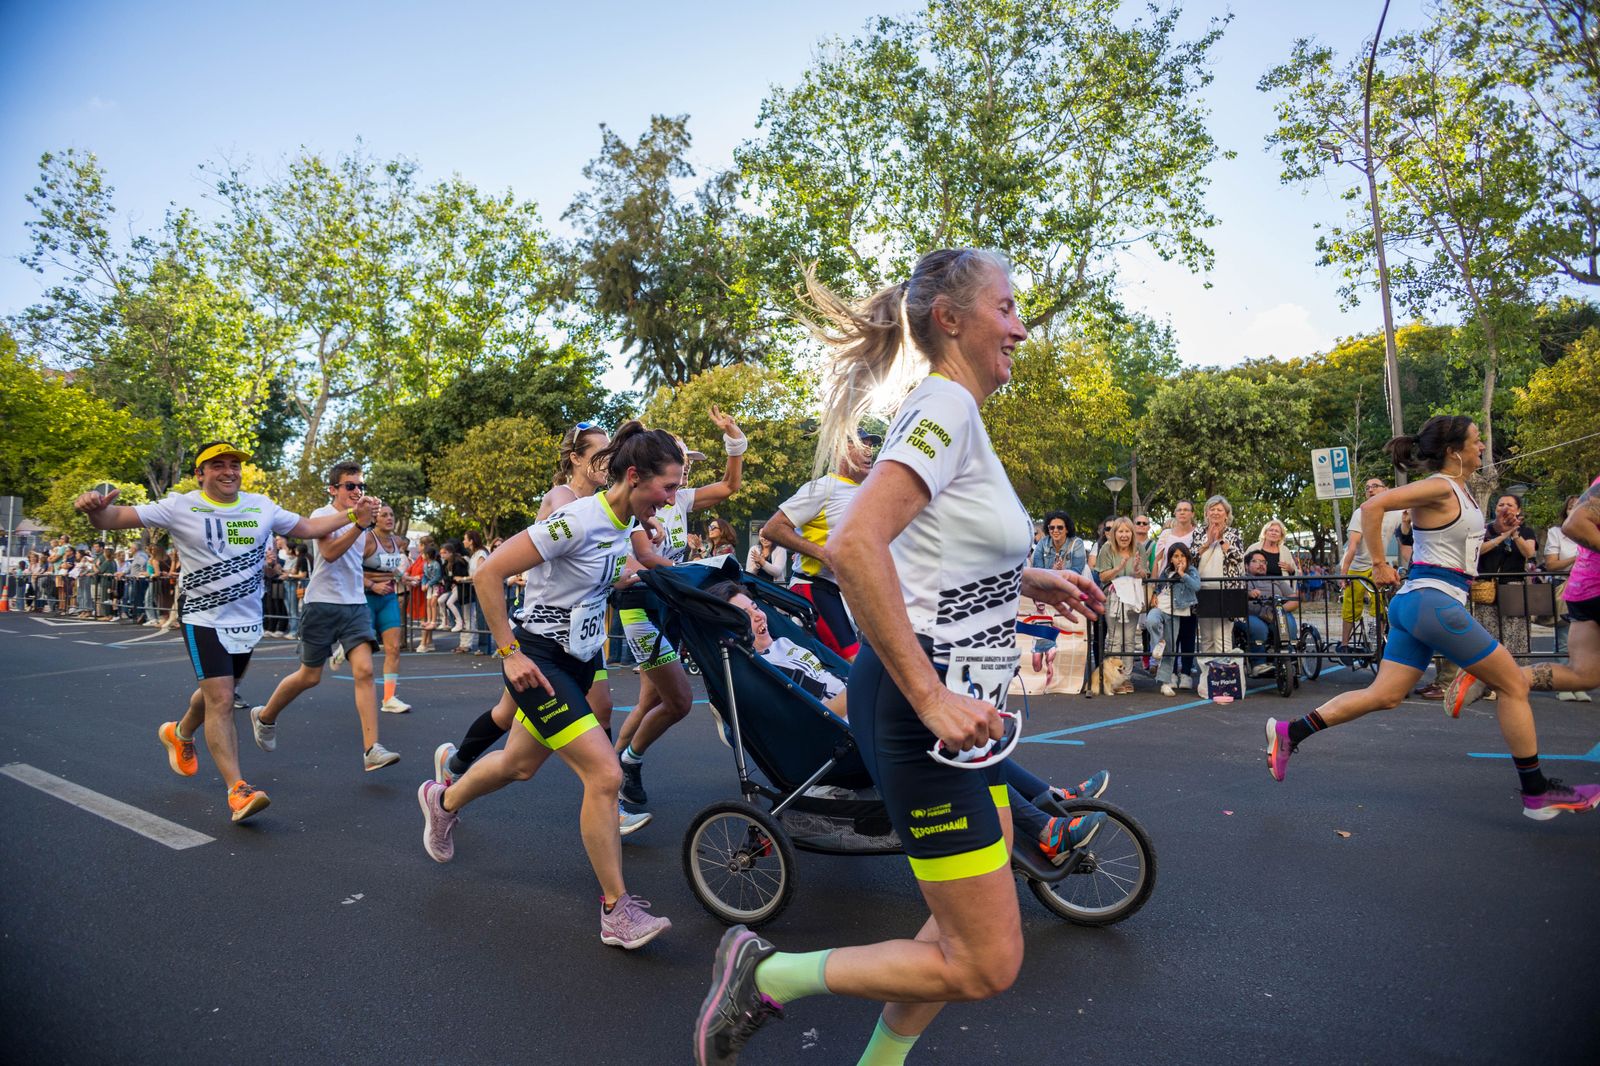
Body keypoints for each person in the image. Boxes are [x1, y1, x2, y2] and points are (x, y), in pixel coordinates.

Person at [693, 248, 1106, 1065]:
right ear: (950, 320)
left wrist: (1032, 577)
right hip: (931, 713)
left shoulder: (955, 415)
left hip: (963, 715)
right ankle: (768, 973)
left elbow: (930, 550)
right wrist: (929, 700)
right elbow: (851, 546)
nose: (1021, 327)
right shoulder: (943, 406)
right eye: (1008, 307)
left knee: (954, 932)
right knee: (986, 962)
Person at [416, 420, 681, 950]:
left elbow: (599, 578)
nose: (672, 501)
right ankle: (616, 910)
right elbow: (490, 572)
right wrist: (508, 654)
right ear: (634, 476)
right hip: (538, 660)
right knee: (605, 775)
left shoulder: (621, 525)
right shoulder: (575, 520)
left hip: (580, 659)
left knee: (518, 764)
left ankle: (442, 802)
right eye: (667, 487)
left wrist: (639, 575)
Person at [1263, 416, 1598, 820]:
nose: (1482, 446)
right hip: (1432, 599)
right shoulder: (1441, 485)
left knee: (1384, 695)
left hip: (1420, 603)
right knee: (1512, 684)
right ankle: (1536, 791)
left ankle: (1290, 732)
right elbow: (1373, 505)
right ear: (1455, 450)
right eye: (1477, 441)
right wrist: (1381, 564)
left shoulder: (1461, 490)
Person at [74, 441, 378, 823]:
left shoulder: (261, 506)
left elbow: (310, 527)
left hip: (246, 622)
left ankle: (180, 732)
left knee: (220, 690)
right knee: (220, 699)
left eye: (234, 464)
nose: (229, 471)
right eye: (217, 465)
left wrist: (355, 515)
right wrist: (94, 510)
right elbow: (112, 519)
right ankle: (238, 789)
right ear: (200, 473)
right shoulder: (180, 506)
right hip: (203, 618)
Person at [706, 579, 1110, 860]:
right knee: (947, 742)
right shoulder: (758, 668)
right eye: (746, 614)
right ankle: (1044, 829)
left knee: (969, 733)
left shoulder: (784, 643)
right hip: (839, 739)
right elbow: (817, 711)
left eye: (756, 607)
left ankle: (1050, 798)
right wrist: (866, 689)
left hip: (857, 715)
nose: (758, 616)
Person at [432, 421, 648, 836]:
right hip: (543, 635)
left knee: (526, 742)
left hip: (582, 639)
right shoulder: (563, 501)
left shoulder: (611, 508)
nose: (609, 462)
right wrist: (510, 651)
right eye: (600, 455)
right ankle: (455, 767)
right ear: (577, 459)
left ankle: (456, 769)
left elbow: (609, 563)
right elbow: (525, 560)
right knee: (515, 723)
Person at [613, 407, 747, 817]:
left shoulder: (678, 498)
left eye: (688, 465)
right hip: (639, 605)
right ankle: (616, 772)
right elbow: (648, 557)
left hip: (666, 600)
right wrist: (695, 571)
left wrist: (734, 442)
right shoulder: (643, 501)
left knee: (650, 700)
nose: (687, 471)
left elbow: (729, 485)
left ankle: (611, 770)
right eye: (683, 462)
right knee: (673, 699)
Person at [249, 461, 401, 773]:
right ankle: (265, 716)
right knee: (310, 676)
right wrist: (359, 523)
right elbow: (330, 554)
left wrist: (375, 523)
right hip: (322, 603)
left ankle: (372, 749)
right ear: (333, 489)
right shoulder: (321, 516)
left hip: (355, 603)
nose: (356, 491)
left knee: (364, 671)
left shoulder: (364, 520)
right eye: (350, 486)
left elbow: (370, 554)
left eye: (360, 486)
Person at [1448, 476, 1600, 712]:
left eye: (1510, 505)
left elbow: (1529, 552)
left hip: (1583, 587)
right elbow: (1574, 523)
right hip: (1591, 587)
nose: (1505, 508)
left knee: (1584, 674)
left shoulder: (1524, 531)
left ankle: (1490, 678)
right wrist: (1503, 535)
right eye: (1501, 504)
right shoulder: (1486, 529)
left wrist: (1515, 534)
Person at [759, 430, 881, 661]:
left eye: (870, 447)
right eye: (861, 446)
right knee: (853, 664)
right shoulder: (823, 488)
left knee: (863, 665)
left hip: (846, 592)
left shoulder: (868, 491)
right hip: (813, 586)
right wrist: (825, 555)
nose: (869, 452)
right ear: (840, 451)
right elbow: (773, 528)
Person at [1338, 477, 1404, 646]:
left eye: (1375, 486)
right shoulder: (1360, 512)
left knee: (1379, 604)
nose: (1370, 489)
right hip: (1358, 566)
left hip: (1378, 565)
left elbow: (1405, 537)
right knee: (1351, 607)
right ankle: (1345, 644)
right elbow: (1352, 546)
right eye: (1367, 487)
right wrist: (1344, 573)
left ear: (1386, 489)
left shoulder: (1397, 513)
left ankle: (1376, 642)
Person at [1026, 511, 1086, 687]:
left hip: (1070, 593)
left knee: (1070, 636)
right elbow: (1036, 570)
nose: (1055, 530)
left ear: (1067, 529)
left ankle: (1070, 679)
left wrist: (1060, 573)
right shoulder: (1042, 544)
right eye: (1051, 527)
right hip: (1047, 595)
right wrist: (1053, 571)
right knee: (1047, 635)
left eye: (1060, 527)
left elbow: (1077, 569)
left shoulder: (1077, 543)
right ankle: (1044, 678)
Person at [1540, 495, 1590, 701]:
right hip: (1566, 585)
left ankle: (1579, 682)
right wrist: (1578, 558)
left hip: (1590, 586)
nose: (1576, 509)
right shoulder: (1557, 533)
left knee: (1585, 640)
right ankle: (1563, 684)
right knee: (1564, 638)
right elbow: (1551, 564)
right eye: (1572, 507)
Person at [363, 504, 411, 713]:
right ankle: (342, 646)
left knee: (393, 648)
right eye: (384, 515)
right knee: (364, 647)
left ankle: (389, 698)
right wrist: (373, 585)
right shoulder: (367, 539)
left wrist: (404, 578)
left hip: (388, 598)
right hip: (365, 598)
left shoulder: (396, 541)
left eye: (392, 514)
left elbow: (391, 568)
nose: (389, 518)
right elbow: (350, 569)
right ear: (375, 519)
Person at [1095, 516, 1147, 693]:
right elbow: (1102, 576)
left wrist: (1139, 570)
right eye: (1120, 531)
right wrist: (1118, 568)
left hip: (1132, 597)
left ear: (1132, 533)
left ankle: (1127, 678)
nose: (1124, 535)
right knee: (1115, 639)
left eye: (1127, 531)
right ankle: (1113, 680)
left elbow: (1143, 574)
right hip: (1113, 598)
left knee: (1130, 640)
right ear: (1114, 533)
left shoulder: (1139, 547)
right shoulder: (1106, 549)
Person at [1189, 495, 1242, 655]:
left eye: (1219, 510)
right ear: (1206, 513)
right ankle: (1208, 677)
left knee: (1222, 638)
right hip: (1203, 590)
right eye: (1212, 509)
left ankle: (1224, 676)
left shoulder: (1234, 533)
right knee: (1206, 638)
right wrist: (1207, 543)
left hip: (1226, 592)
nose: (1215, 513)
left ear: (1227, 514)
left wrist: (1220, 540)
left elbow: (1238, 558)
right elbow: (1189, 559)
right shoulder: (1198, 533)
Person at [1152, 542, 1201, 695]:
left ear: (1187, 558)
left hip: (1184, 610)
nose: (1179, 559)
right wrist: (1154, 594)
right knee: (1166, 635)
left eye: (1182, 556)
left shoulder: (1191, 571)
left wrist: (1183, 574)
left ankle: (1185, 674)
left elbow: (1196, 586)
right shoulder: (1166, 571)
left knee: (1183, 641)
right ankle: (1168, 667)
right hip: (1166, 609)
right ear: (1170, 558)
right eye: (1175, 556)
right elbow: (1159, 586)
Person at [1242, 549, 1299, 676]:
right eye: (1255, 561)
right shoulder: (1242, 580)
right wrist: (1249, 594)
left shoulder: (1276, 580)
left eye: (1263, 562)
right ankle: (1258, 664)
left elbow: (1294, 600)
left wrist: (1278, 610)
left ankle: (1288, 661)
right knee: (1258, 628)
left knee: (1287, 624)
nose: (1261, 564)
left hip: (1277, 613)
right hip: (1252, 614)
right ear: (1246, 565)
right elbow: (1235, 596)